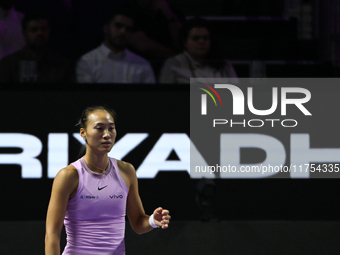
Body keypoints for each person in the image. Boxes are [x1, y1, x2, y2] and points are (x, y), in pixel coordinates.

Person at [45, 106, 171, 255]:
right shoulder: (69, 176)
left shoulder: (127, 171)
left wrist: (151, 220)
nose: (107, 135)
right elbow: (52, 235)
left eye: (111, 128)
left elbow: (137, 223)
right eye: (99, 128)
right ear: (83, 133)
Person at [76, 9, 155, 83]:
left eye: (128, 29)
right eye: (118, 26)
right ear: (106, 28)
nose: (123, 31)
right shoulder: (88, 61)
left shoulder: (142, 64)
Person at [159, 17, 238, 84]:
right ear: (185, 42)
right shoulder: (173, 64)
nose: (201, 42)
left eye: (205, 38)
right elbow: (165, 96)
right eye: (196, 38)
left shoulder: (223, 64)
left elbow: (236, 93)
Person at [0, 13, 74, 83]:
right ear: (24, 34)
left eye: (43, 29)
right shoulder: (10, 64)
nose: (40, 33)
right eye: (34, 30)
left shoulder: (61, 64)